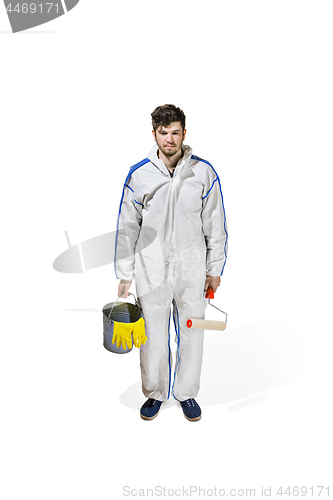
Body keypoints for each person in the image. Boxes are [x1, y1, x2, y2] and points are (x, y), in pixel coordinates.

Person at [114, 104, 228, 421]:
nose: (169, 139)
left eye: (175, 132)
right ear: (154, 134)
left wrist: (214, 270)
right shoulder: (140, 175)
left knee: (192, 333)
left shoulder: (203, 174)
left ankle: (186, 393)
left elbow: (216, 226)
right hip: (151, 271)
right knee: (152, 338)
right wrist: (125, 272)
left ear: (184, 134)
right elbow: (127, 228)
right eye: (163, 133)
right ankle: (155, 393)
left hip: (192, 272)